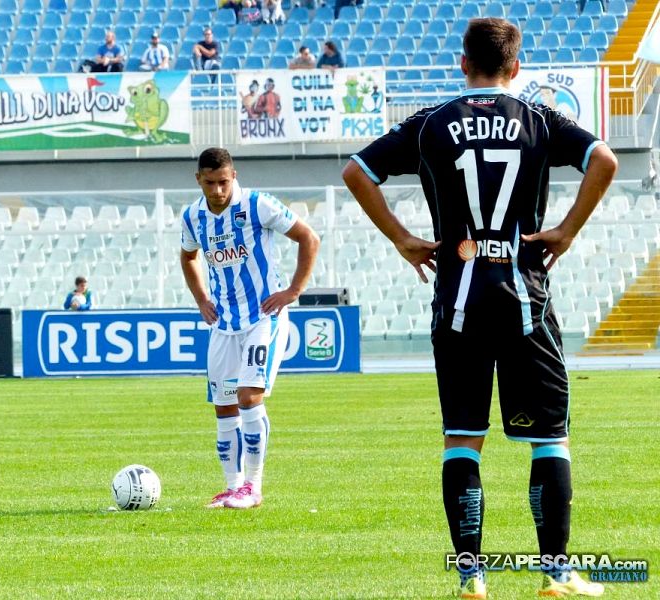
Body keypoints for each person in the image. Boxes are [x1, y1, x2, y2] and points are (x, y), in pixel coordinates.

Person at [342, 17, 617, 600]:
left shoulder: (432, 121)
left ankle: (472, 578)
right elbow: (605, 160)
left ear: (462, 64)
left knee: (462, 440)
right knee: (549, 440)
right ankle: (556, 574)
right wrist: (565, 230)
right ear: (516, 68)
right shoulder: (540, 119)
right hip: (525, 299)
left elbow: (357, 171)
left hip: (458, 301)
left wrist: (401, 237)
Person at [180, 147, 320, 510]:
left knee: (248, 396)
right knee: (224, 407)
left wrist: (293, 291)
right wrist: (200, 299)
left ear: (234, 176)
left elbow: (309, 238)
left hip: (262, 316)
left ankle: (253, 488)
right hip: (223, 323)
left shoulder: (257, 204)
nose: (217, 190)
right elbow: (188, 255)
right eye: (209, 183)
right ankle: (232, 486)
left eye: (223, 182)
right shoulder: (193, 216)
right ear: (198, 180)